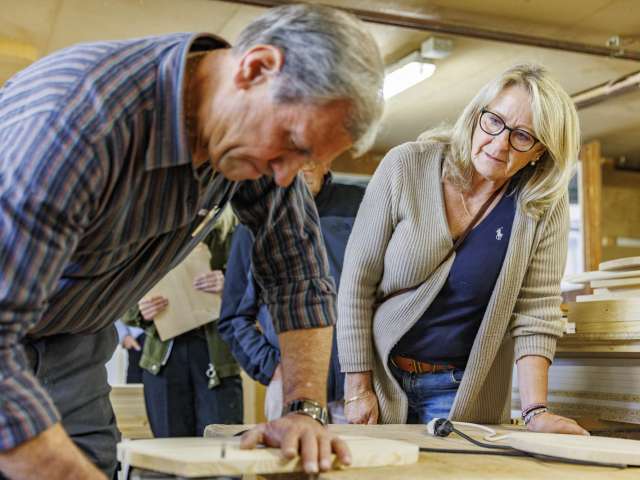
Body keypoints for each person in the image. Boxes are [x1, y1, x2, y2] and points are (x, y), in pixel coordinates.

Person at [0, 3, 384, 478]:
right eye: (291, 143)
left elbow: (298, 275)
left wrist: (303, 411)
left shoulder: (255, 142)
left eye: (306, 161)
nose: (286, 177)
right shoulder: (77, 123)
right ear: (256, 69)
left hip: (74, 343)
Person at [337, 64, 589, 435]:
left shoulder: (541, 205)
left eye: (522, 136)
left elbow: (536, 311)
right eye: (495, 121)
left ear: (539, 151)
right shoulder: (405, 166)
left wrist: (536, 411)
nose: (500, 143)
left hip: (461, 391)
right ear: (476, 115)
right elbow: (357, 282)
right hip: (382, 378)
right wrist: (357, 387)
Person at [219, 162, 365, 423]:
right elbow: (234, 318)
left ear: (327, 160)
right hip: (288, 386)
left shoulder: (361, 206)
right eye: (296, 155)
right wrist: (272, 367)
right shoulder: (256, 219)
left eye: (313, 156)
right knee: (291, 449)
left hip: (355, 387)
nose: (304, 165)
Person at [122, 206, 243, 436]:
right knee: (169, 449)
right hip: (163, 358)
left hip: (216, 358)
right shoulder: (151, 226)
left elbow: (256, 288)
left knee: (220, 448)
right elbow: (123, 296)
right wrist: (139, 309)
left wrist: (230, 284)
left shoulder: (232, 227)